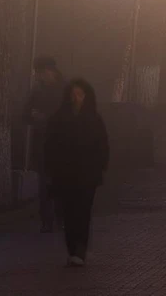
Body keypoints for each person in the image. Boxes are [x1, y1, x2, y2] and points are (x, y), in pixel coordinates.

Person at [44, 79, 109, 267]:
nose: (76, 99)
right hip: (65, 174)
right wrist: (51, 169)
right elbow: (50, 146)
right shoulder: (58, 119)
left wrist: (100, 165)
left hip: (87, 175)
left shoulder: (94, 119)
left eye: (80, 94)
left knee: (83, 211)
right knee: (69, 212)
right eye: (73, 94)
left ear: (86, 96)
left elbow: (102, 144)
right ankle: (72, 249)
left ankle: (80, 249)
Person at [25, 56, 65, 233]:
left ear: (51, 71)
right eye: (38, 74)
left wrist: (45, 117)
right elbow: (25, 113)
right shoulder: (37, 90)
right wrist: (31, 115)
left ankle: (61, 218)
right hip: (43, 143)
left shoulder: (65, 89)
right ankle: (47, 221)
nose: (40, 77)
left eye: (41, 73)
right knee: (44, 183)